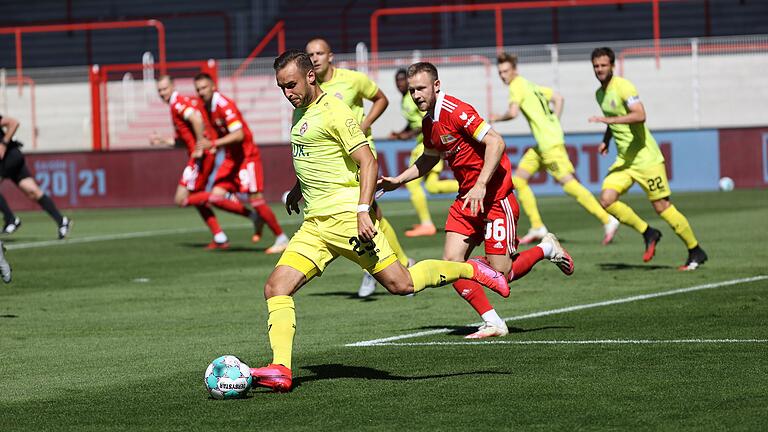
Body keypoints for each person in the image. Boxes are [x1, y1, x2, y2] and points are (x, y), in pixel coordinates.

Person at [249, 51, 510, 392]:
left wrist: (361, 211)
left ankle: (473, 270)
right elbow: (315, 157)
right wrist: (299, 189)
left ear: (311, 77)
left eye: (292, 85)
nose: (288, 93)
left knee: (402, 285)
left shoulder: (335, 111)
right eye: (282, 87)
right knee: (275, 288)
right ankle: (280, 368)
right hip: (315, 226)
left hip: (346, 220)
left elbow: (368, 162)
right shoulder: (300, 112)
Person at [378, 62, 574, 339]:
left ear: (436, 85)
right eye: (412, 91)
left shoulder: (457, 111)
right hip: (466, 199)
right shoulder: (428, 121)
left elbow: (496, 142)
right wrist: (398, 180)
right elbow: (429, 157)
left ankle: (546, 249)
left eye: (421, 88)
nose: (416, 95)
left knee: (501, 274)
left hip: (495, 196)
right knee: (451, 263)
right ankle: (494, 322)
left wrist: (482, 184)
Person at [306, 38, 411, 298]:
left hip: (362, 153)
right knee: (372, 213)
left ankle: (376, 270)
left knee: (367, 209)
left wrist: (364, 125)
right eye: (310, 54)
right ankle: (401, 263)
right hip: (334, 160)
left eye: (320, 53)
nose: (315, 58)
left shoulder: (352, 79)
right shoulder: (310, 89)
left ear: (330, 56)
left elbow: (380, 99)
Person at [588, 47, 707, 270]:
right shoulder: (599, 94)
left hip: (646, 158)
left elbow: (639, 115)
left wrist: (608, 121)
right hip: (625, 160)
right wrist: (607, 139)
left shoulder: (624, 87)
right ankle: (648, 232)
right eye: (596, 66)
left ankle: (695, 250)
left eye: (603, 65)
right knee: (606, 200)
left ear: (612, 65)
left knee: (662, 207)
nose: (600, 69)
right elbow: (614, 120)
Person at [491, 53, 619, 245]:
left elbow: (513, 112)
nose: (503, 75)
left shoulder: (516, 85)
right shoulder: (530, 85)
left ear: (514, 70)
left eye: (505, 71)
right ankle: (537, 226)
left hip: (549, 145)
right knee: (518, 180)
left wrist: (496, 118)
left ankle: (607, 219)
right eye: (500, 72)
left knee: (569, 185)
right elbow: (558, 98)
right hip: (542, 145)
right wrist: (554, 122)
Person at [192, 73, 289, 254]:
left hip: (246, 156)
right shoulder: (205, 107)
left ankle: (282, 238)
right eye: (198, 89)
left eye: (204, 88)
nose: (201, 92)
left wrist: (213, 144)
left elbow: (239, 135)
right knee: (215, 197)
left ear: (213, 86)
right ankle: (254, 217)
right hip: (231, 158)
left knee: (255, 198)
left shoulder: (224, 105)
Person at [151, 75, 229, 249]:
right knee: (196, 197)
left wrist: (200, 144)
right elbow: (182, 140)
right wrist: (162, 140)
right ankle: (219, 236)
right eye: (159, 90)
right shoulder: (175, 105)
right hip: (201, 154)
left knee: (181, 198)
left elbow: (196, 119)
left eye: (164, 89)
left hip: (201, 156)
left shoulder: (178, 102)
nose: (162, 93)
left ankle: (221, 197)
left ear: (172, 86)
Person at [389, 68, 459, 238]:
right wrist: (401, 133)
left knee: (412, 184)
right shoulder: (406, 100)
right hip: (426, 142)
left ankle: (427, 224)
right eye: (397, 81)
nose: (400, 84)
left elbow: (424, 123)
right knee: (432, 187)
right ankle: (467, 186)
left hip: (426, 143)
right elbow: (413, 123)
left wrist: (406, 135)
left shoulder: (412, 99)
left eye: (402, 80)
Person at [0, 114, 71, 239]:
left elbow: (13, 123)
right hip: (12, 159)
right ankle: (62, 221)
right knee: (33, 191)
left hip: (9, 157)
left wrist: (3, 144)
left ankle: (11, 219)